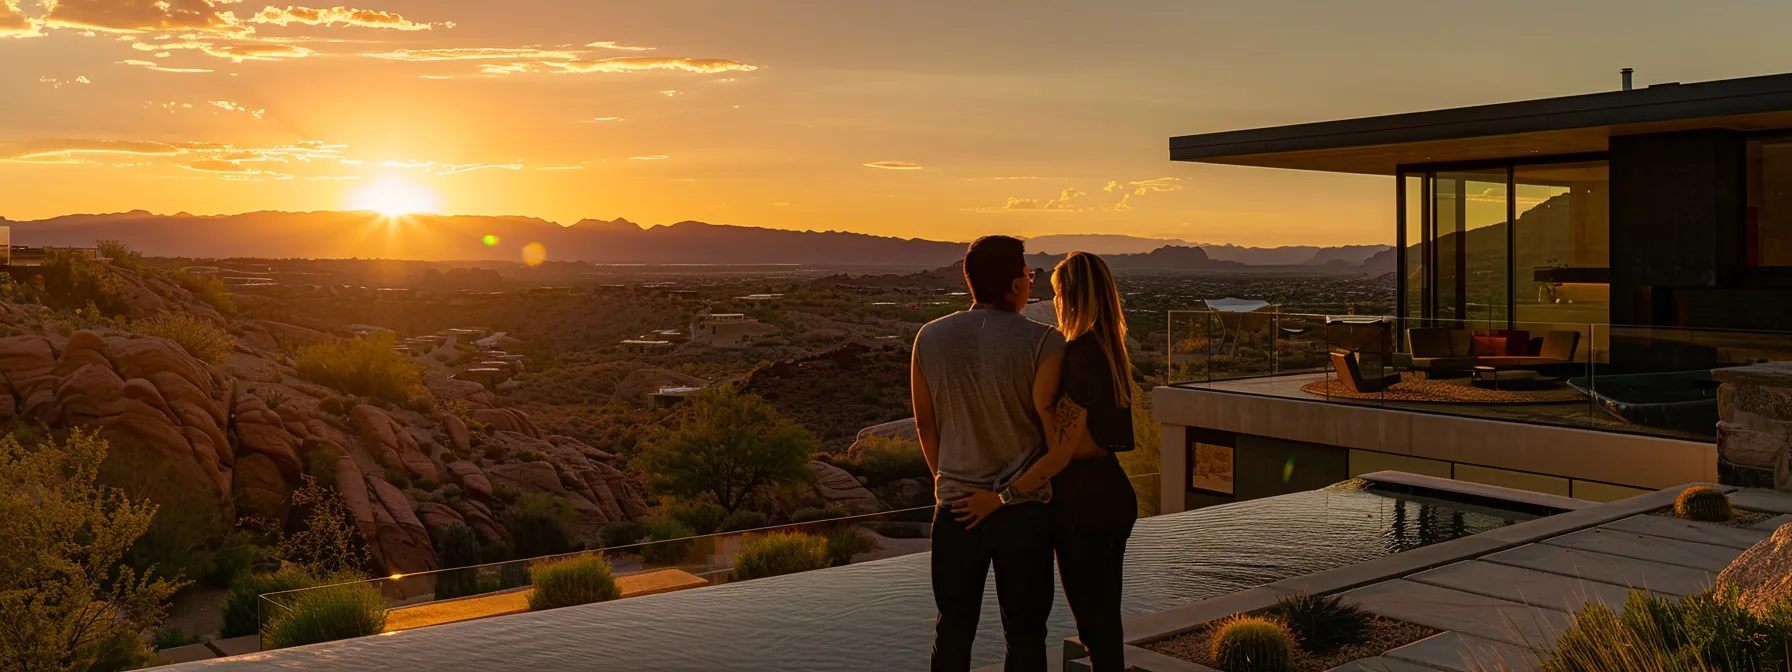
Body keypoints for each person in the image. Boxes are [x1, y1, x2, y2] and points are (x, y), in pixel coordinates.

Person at [951, 251, 1138, 672]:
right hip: (1113, 489)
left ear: (1068, 295)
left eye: (1055, 293)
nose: (1053, 301)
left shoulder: (1078, 354)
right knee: (1105, 616)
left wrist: (998, 499)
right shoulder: (1110, 350)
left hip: (1082, 499)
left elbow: (1059, 454)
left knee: (1095, 624)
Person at [912, 235, 1064, 672]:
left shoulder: (930, 338)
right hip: (1024, 510)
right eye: (1029, 276)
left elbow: (925, 423)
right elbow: (1056, 435)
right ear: (1016, 285)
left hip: (957, 509)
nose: (1031, 284)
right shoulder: (1045, 342)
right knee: (1026, 634)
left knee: (954, 630)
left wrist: (947, 482)